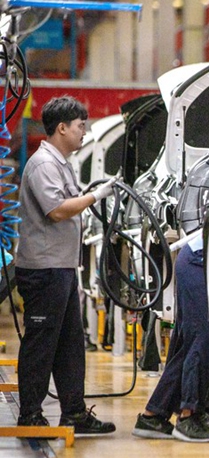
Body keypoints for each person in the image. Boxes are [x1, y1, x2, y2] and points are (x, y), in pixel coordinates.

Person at [16, 95, 117, 434]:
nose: (84, 132)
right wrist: (95, 197)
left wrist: (89, 194)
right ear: (62, 128)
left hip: (60, 268)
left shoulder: (60, 163)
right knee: (42, 343)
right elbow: (57, 210)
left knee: (69, 344)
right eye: (80, 127)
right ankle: (30, 413)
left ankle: (73, 412)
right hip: (44, 271)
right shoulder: (44, 164)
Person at [132, 233, 209, 442]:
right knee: (204, 336)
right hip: (197, 262)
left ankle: (154, 415)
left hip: (200, 261)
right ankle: (187, 416)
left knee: (190, 344)